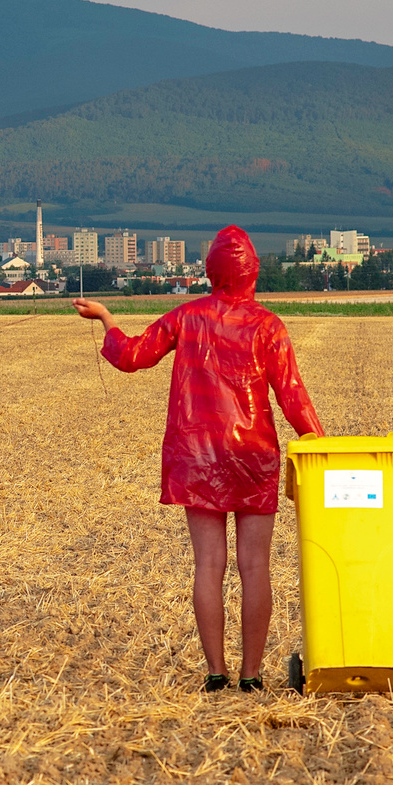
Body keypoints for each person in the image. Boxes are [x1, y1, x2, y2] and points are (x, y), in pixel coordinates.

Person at [74, 226, 323, 693]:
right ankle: (251, 675)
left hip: (197, 456)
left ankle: (215, 672)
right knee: (255, 567)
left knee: (209, 565)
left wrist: (107, 318)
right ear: (253, 273)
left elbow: (131, 357)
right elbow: (293, 397)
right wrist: (323, 446)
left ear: (210, 273)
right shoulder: (269, 326)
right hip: (254, 456)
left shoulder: (186, 317)